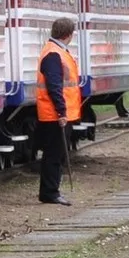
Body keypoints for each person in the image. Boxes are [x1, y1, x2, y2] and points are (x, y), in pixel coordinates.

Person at [34, 15, 80, 206]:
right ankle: (50, 192)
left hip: (57, 113)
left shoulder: (55, 51)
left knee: (56, 154)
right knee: (54, 155)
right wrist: (61, 112)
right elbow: (54, 86)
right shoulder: (54, 54)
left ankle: (51, 191)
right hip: (55, 114)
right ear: (69, 35)